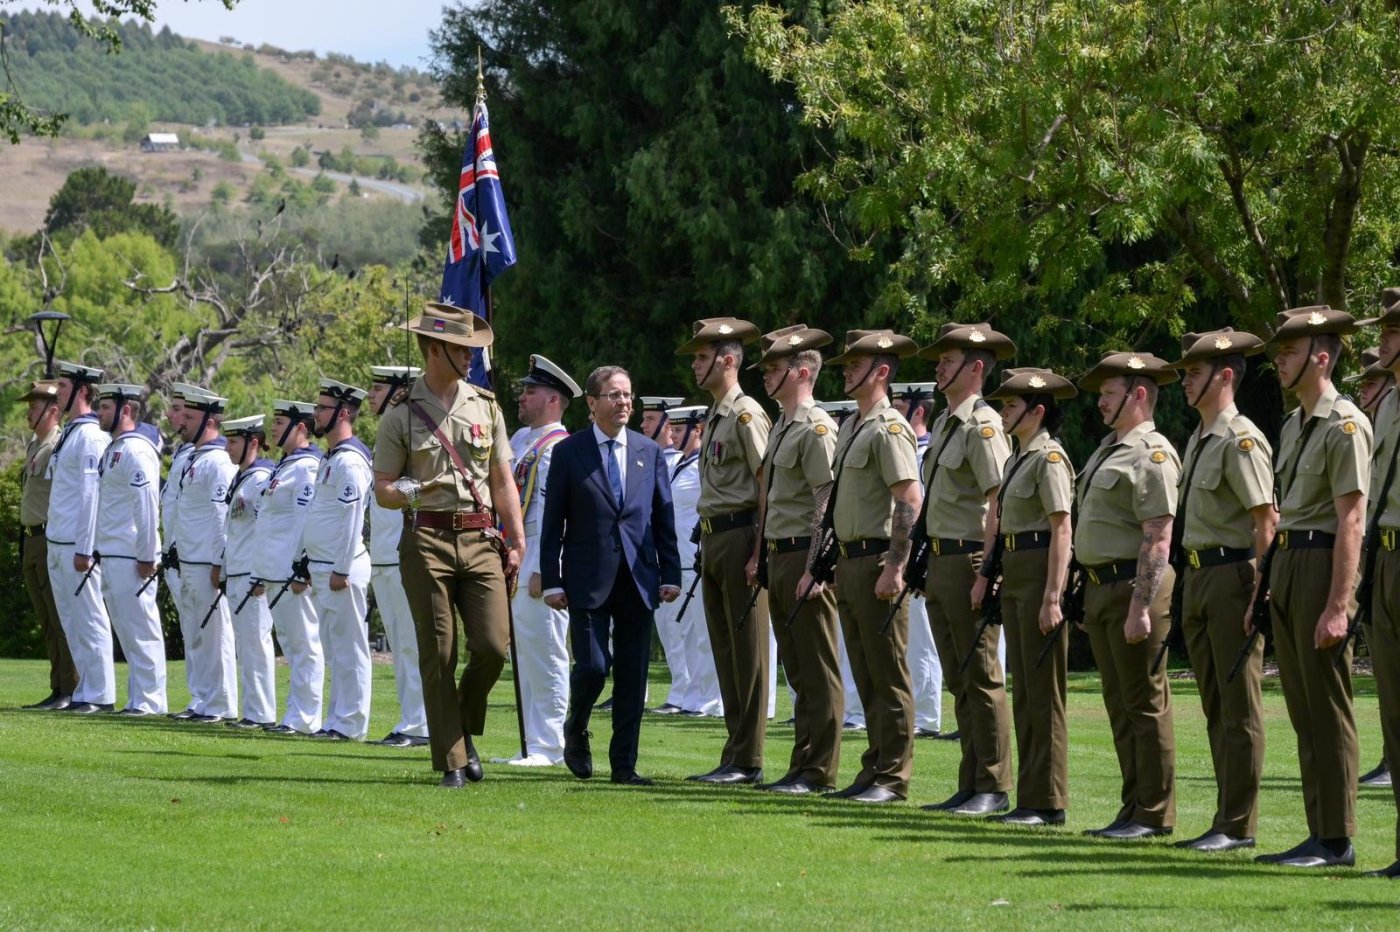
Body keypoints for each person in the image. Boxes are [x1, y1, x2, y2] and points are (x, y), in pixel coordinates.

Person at [373, 303, 525, 789]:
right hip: (426, 538)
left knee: (493, 648)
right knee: (439, 652)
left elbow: (503, 479)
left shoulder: (487, 406)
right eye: (462, 349)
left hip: (481, 537)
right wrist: (415, 490)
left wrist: (517, 540)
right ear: (435, 349)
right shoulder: (400, 414)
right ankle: (453, 761)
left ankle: (458, 726)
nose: (472, 356)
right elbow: (383, 488)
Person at [1253, 307, 1371, 869]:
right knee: (1302, 707)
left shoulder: (1345, 423)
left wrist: (1339, 605)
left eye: (1290, 351)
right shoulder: (1294, 424)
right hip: (1291, 562)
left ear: (1320, 357)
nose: (1279, 359)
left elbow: (1352, 519)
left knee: (1327, 706)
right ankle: (1318, 830)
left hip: (1324, 561)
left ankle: (1338, 838)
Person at [542, 365, 682, 785]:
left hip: (638, 578)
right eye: (614, 395)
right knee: (594, 667)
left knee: (633, 675)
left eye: (627, 395)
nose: (624, 403)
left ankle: (624, 766)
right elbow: (553, 524)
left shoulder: (648, 451)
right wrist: (552, 579)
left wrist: (670, 571)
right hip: (587, 579)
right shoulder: (570, 452)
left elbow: (662, 518)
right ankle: (575, 726)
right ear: (592, 403)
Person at [1166, 329, 1276, 853]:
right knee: (1215, 704)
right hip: (1200, 576)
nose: (1184, 381)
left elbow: (1265, 520)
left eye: (1194, 372)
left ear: (1224, 376)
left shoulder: (1240, 439)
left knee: (1239, 706)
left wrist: (1262, 591)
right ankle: (1224, 817)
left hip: (1235, 577)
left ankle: (1239, 824)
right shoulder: (1200, 437)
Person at [1074, 351, 1181, 840]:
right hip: (1102, 589)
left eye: (1108, 394)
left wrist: (1141, 605)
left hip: (1133, 588)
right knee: (1119, 705)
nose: (1100, 403)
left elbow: (1158, 534)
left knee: (1144, 703)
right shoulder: (1106, 449)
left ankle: (1154, 813)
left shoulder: (1151, 453)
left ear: (1138, 396)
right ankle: (1132, 806)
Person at [916, 322, 1015, 816]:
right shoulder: (944, 423)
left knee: (981, 673)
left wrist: (989, 571)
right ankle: (971, 779)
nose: (938, 366)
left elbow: (1000, 499)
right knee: (959, 675)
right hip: (941, 558)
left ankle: (993, 785)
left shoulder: (983, 426)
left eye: (947, 359)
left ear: (975, 368)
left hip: (970, 556)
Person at [823, 328, 923, 803]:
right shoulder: (852, 426)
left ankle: (893, 776)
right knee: (865, 672)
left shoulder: (889, 427)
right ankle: (875, 765)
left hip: (877, 560)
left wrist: (896, 566)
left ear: (881, 371)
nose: (846, 370)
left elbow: (908, 497)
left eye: (855, 364)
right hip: (850, 561)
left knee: (888, 673)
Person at [676, 318, 772, 786]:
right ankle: (734, 752)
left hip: (739, 535)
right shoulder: (716, 414)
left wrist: (759, 552)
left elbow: (764, 484)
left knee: (748, 652)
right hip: (715, 538)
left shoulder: (745, 414)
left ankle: (749, 758)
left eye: (702, 356)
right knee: (726, 652)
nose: (695, 364)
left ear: (727, 360)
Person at [981, 368, 1077, 826]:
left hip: (1040, 571)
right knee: (1025, 693)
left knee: (1044, 695)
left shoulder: (1048, 458)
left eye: (1011, 406)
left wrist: (1053, 596)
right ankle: (1031, 798)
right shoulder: (1017, 458)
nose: (1003, 413)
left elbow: (1062, 528)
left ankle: (1049, 801)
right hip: (1018, 570)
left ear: (1037, 412)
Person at [752, 325, 843, 794]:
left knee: (818, 666)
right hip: (780, 554)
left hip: (802, 556)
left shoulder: (815, 426)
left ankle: (819, 770)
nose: (766, 376)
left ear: (801, 372)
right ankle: (802, 763)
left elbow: (825, 498)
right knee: (798, 670)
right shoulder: (784, 425)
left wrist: (816, 566)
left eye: (774, 368)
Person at [505, 354, 580, 765]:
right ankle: (531, 743)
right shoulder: (521, 440)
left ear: (553, 400)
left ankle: (550, 744)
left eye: (530, 391)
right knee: (524, 654)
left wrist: (544, 569)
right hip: (517, 547)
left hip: (540, 551)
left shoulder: (558, 448)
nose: (522, 396)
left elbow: (560, 515)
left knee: (546, 650)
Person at [301, 377, 375, 741]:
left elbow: (352, 519)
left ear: (343, 413)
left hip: (339, 568)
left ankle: (350, 724)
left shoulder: (349, 461)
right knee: (335, 651)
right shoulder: (331, 458)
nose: (316, 414)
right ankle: (336, 721)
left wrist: (341, 568)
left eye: (322, 409)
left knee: (349, 650)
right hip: (325, 566)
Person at [365, 366, 429, 748]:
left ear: (399, 391)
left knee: (411, 643)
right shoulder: (389, 428)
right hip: (384, 555)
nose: (371, 395)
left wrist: (398, 489)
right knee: (400, 643)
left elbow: (424, 485)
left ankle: (420, 723)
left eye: (378, 388)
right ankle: (411, 718)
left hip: (404, 550)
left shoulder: (410, 428)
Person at [251, 399, 324, 736]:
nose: (275, 427)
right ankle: (295, 713)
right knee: (292, 646)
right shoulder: (286, 466)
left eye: (281, 422)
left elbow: (304, 520)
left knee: (304, 644)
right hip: (275, 570)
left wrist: (301, 566)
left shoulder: (307, 466)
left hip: (291, 572)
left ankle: (305, 717)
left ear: (300, 428)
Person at [94, 383, 167, 716]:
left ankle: (150, 701)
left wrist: (147, 554)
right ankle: (138, 699)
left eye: (106, 407)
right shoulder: (115, 448)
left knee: (141, 630)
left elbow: (147, 504)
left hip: (131, 554)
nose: (99, 412)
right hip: (114, 552)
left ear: (127, 410)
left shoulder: (136, 450)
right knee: (128, 631)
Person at [1358, 297, 1400, 877]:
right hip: (1385, 557)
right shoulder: (1387, 404)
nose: (1384, 339)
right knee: (1393, 712)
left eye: (1394, 331)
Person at [46, 361, 114, 714]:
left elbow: (91, 495)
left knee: (89, 617)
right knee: (72, 621)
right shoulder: (73, 432)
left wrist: (85, 548)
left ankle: (100, 692)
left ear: (81, 390)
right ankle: (85, 689)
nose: (57, 391)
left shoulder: (90, 436)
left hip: (76, 544)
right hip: (58, 540)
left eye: (63, 385)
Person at [171, 386, 238, 724]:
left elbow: (220, 517)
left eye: (191, 417)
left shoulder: (219, 461)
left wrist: (219, 562)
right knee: (196, 635)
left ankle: (221, 703)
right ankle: (202, 698)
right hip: (189, 559)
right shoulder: (195, 457)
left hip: (205, 562)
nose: (182, 421)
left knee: (215, 636)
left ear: (210, 421)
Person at [653, 404, 723, 716]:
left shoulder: (702, 468)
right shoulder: (678, 465)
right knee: (686, 634)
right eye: (673, 429)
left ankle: (711, 697)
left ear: (697, 431)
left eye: (679, 430)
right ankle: (693, 694)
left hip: (695, 561)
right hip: (675, 561)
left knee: (704, 635)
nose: (672, 435)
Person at [1348, 346, 1395, 791]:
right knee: (1385, 670)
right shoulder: (1376, 423)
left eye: (1370, 383)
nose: (1363, 392)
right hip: (1378, 555)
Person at [17, 379, 76, 711]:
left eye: (35, 408)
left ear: (53, 411)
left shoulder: (58, 446)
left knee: (59, 618)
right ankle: (58, 687)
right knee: (46, 619)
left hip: (48, 537)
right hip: (31, 540)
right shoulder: (35, 445)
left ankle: (70, 688)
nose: (29, 413)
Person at [216, 414, 278, 729]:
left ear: (253, 443)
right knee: (246, 645)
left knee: (256, 643)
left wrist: (259, 574)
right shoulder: (242, 478)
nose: (228, 448)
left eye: (234, 441)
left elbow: (264, 531)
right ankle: (252, 710)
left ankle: (262, 713)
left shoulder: (261, 479)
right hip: (238, 571)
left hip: (252, 574)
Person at [891, 382, 945, 740]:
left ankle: (926, 714)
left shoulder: (928, 455)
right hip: (904, 553)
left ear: (918, 411)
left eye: (899, 407)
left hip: (923, 554)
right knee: (911, 639)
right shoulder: (906, 452)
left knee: (924, 639)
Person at [640, 395, 687, 712]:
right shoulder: (652, 458)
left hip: (685, 562)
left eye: (650, 419)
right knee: (671, 631)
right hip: (658, 560)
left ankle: (691, 694)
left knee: (688, 634)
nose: (643, 425)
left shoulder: (683, 462)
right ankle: (681, 692)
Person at [161, 383, 197, 718]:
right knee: (191, 630)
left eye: (179, 410)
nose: (173, 417)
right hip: (177, 555)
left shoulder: (205, 456)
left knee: (205, 632)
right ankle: (199, 696)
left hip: (194, 557)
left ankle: (212, 700)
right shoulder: (184, 453)